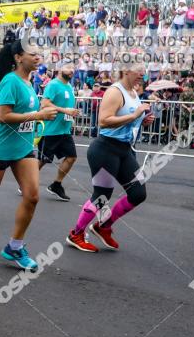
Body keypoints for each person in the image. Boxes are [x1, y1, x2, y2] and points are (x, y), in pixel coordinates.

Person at [0, 38, 57, 269]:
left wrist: (40, 112)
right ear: (17, 57)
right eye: (32, 53)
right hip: (0, 148)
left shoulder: (28, 80)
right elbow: (3, 116)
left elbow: (25, 112)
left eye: (38, 54)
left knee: (32, 196)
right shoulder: (10, 81)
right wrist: (37, 116)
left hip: (23, 148)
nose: (37, 57)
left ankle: (14, 246)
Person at [66, 62, 153, 252]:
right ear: (126, 69)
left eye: (143, 70)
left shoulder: (133, 92)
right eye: (139, 70)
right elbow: (104, 121)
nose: (143, 74)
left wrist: (143, 120)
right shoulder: (115, 91)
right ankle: (76, 233)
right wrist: (135, 115)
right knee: (102, 196)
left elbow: (129, 120)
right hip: (105, 149)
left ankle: (103, 226)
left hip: (124, 150)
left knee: (138, 194)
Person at [37, 64, 80, 201]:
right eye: (68, 67)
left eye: (73, 68)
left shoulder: (69, 87)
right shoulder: (53, 84)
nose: (72, 71)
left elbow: (67, 108)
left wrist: (71, 114)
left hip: (64, 130)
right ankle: (26, 182)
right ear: (60, 69)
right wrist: (65, 110)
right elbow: (45, 104)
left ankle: (56, 185)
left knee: (71, 157)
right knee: (43, 160)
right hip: (50, 130)